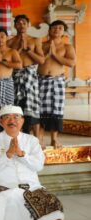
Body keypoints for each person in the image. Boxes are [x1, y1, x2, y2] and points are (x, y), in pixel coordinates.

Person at [0, 105, 74, 220]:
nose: (12, 120)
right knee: (6, 201)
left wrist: (21, 154)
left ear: (23, 121)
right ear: (1, 121)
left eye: (16, 117)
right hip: (6, 186)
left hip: (32, 186)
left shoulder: (32, 141)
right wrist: (8, 154)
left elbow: (38, 165)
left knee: (54, 204)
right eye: (7, 117)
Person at [38, 20, 76, 148]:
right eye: (54, 27)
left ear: (63, 32)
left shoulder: (67, 47)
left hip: (57, 81)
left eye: (60, 28)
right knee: (39, 110)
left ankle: (54, 139)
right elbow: (34, 60)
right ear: (49, 30)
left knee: (56, 110)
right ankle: (40, 139)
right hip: (41, 80)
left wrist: (54, 54)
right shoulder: (42, 45)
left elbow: (71, 63)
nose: (57, 29)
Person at [8, 15, 45, 134]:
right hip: (15, 76)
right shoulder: (10, 41)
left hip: (30, 76)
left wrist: (28, 50)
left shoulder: (35, 40)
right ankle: (19, 135)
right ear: (15, 26)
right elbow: (8, 58)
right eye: (19, 23)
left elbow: (41, 60)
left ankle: (36, 138)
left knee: (32, 106)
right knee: (17, 106)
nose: (21, 25)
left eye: (24, 23)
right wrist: (19, 49)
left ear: (28, 25)